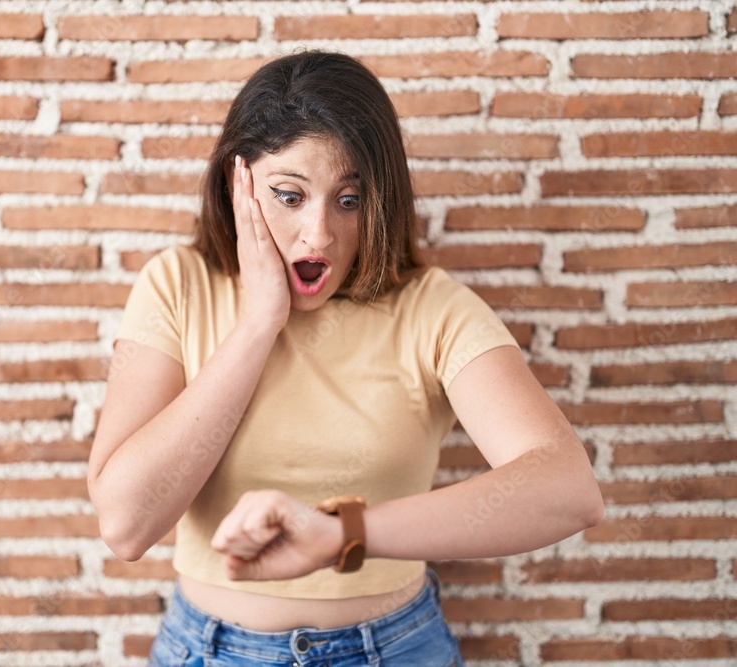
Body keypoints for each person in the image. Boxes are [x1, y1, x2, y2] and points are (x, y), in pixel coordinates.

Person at [88, 51, 604, 666]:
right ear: (239, 183)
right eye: (289, 195)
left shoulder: (432, 308)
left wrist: (342, 535)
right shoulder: (177, 285)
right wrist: (258, 324)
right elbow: (125, 525)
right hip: (210, 649)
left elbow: (569, 490)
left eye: (349, 199)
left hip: (394, 649)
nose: (319, 234)